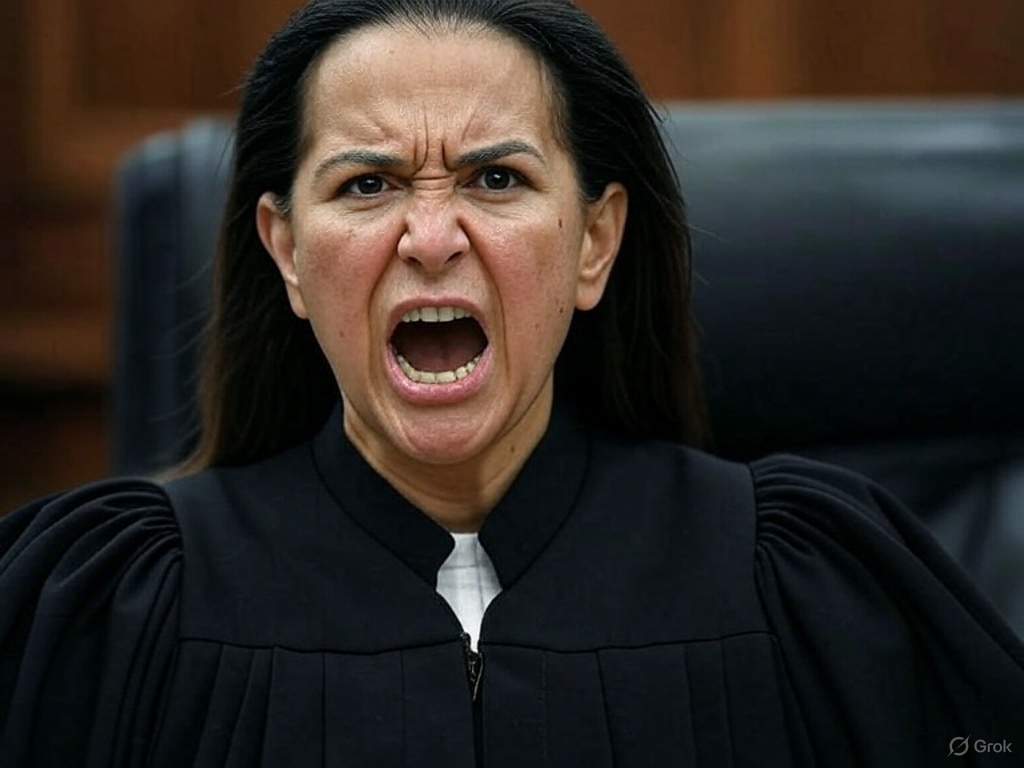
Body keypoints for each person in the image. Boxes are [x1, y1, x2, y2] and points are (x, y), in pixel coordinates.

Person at [2, 0, 1022, 764]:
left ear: (593, 241)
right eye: (368, 185)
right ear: (286, 255)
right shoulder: (108, 609)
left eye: (497, 179)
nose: (433, 238)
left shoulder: (807, 585)